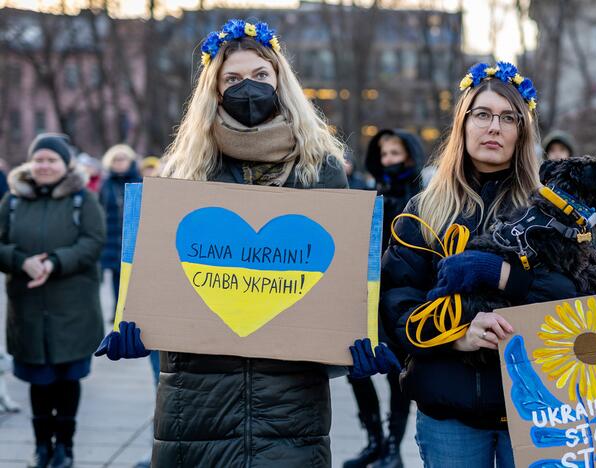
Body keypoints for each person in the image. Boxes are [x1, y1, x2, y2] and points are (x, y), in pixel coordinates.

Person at [93, 19, 398, 467]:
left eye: (259, 76)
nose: (247, 88)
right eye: (232, 79)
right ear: (213, 89)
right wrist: (141, 325)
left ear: (280, 81)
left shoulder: (320, 169)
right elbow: (163, 272)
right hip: (196, 401)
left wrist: (357, 339)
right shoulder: (185, 169)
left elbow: (340, 278)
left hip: (290, 405)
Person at [380, 62, 579, 467]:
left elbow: (574, 296)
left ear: (522, 132)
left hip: (537, 408)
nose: (495, 127)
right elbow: (396, 302)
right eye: (483, 114)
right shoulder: (424, 210)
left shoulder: (551, 212)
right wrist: (457, 336)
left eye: (509, 118)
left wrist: (503, 276)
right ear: (463, 124)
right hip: (449, 412)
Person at [0, 133, 105, 468]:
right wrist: (21, 261)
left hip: (72, 308)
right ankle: (42, 446)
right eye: (39, 159)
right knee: (38, 381)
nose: (44, 165)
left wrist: (54, 262)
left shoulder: (82, 200)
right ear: (31, 163)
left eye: (51, 160)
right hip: (29, 308)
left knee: (67, 379)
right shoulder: (13, 201)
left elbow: (93, 242)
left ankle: (66, 448)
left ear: (65, 164)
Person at [343, 129, 424, 468]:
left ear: (410, 156)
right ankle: (374, 440)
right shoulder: (368, 193)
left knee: (397, 376)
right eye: (385, 153)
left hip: (402, 299)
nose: (390, 159)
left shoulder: (421, 199)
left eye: (397, 153)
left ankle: (393, 448)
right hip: (365, 296)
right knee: (354, 368)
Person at [99, 144, 143, 323]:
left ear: (130, 160)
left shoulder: (139, 181)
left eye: (122, 159)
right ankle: (118, 312)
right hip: (112, 237)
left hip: (134, 237)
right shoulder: (106, 184)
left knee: (136, 278)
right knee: (117, 277)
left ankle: (135, 312)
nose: (119, 163)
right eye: (115, 160)